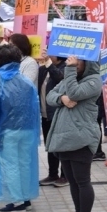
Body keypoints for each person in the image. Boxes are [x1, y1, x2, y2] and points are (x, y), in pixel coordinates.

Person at [0, 45, 40, 212]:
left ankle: (17, 201)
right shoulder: (27, 83)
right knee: (25, 163)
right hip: (28, 131)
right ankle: (25, 197)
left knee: (11, 166)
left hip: (8, 132)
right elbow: (33, 109)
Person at [46, 56, 102, 212]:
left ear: (88, 62)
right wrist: (61, 99)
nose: (74, 63)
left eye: (78, 60)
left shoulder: (94, 80)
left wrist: (68, 70)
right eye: (72, 60)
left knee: (82, 181)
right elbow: (50, 95)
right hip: (66, 138)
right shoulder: (70, 78)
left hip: (82, 138)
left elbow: (76, 93)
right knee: (72, 181)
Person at [38, 50, 69, 187]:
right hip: (45, 113)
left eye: (50, 52)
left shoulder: (66, 67)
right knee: (49, 144)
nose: (47, 55)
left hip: (57, 113)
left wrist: (50, 64)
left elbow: (60, 79)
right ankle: (52, 173)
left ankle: (65, 175)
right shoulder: (44, 69)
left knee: (61, 145)